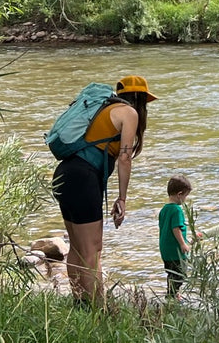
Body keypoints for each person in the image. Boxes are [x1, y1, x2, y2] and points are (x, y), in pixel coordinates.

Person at [51, 74, 157, 306]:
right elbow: (125, 157)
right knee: (92, 251)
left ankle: (81, 304)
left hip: (65, 174)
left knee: (78, 249)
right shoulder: (129, 113)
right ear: (139, 97)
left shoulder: (104, 108)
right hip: (83, 179)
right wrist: (122, 198)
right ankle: (98, 309)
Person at [159, 174, 193, 300]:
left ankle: (172, 293)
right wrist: (183, 243)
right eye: (185, 196)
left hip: (165, 250)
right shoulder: (176, 210)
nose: (185, 199)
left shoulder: (164, 209)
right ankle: (172, 294)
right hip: (175, 251)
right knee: (180, 273)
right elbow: (176, 228)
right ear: (179, 194)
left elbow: (165, 228)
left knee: (171, 273)